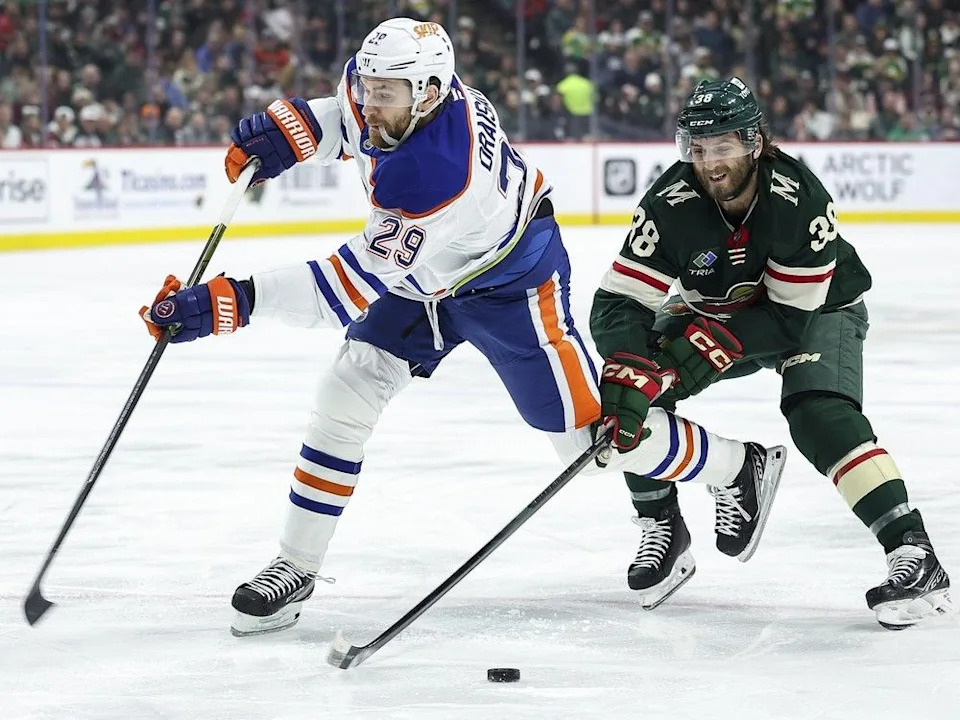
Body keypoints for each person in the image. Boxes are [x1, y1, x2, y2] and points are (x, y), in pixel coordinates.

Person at [140, 21, 782, 634]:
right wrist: (294, 129)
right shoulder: (388, 89)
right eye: (367, 85)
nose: (370, 101)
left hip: (510, 286)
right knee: (347, 388)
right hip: (425, 278)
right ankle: (296, 565)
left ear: (428, 92)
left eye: (384, 94)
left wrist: (226, 302)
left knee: (591, 443)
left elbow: (342, 288)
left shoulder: (437, 171)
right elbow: (346, 117)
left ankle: (736, 466)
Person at [590, 76, 952, 629]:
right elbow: (619, 301)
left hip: (817, 310)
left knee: (818, 413)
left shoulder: (797, 199)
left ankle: (913, 551)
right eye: (699, 147)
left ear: (755, 142)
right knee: (628, 394)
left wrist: (696, 353)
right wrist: (631, 364)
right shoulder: (670, 203)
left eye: (725, 147)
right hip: (716, 312)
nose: (709, 162)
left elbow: (787, 319)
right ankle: (662, 523)